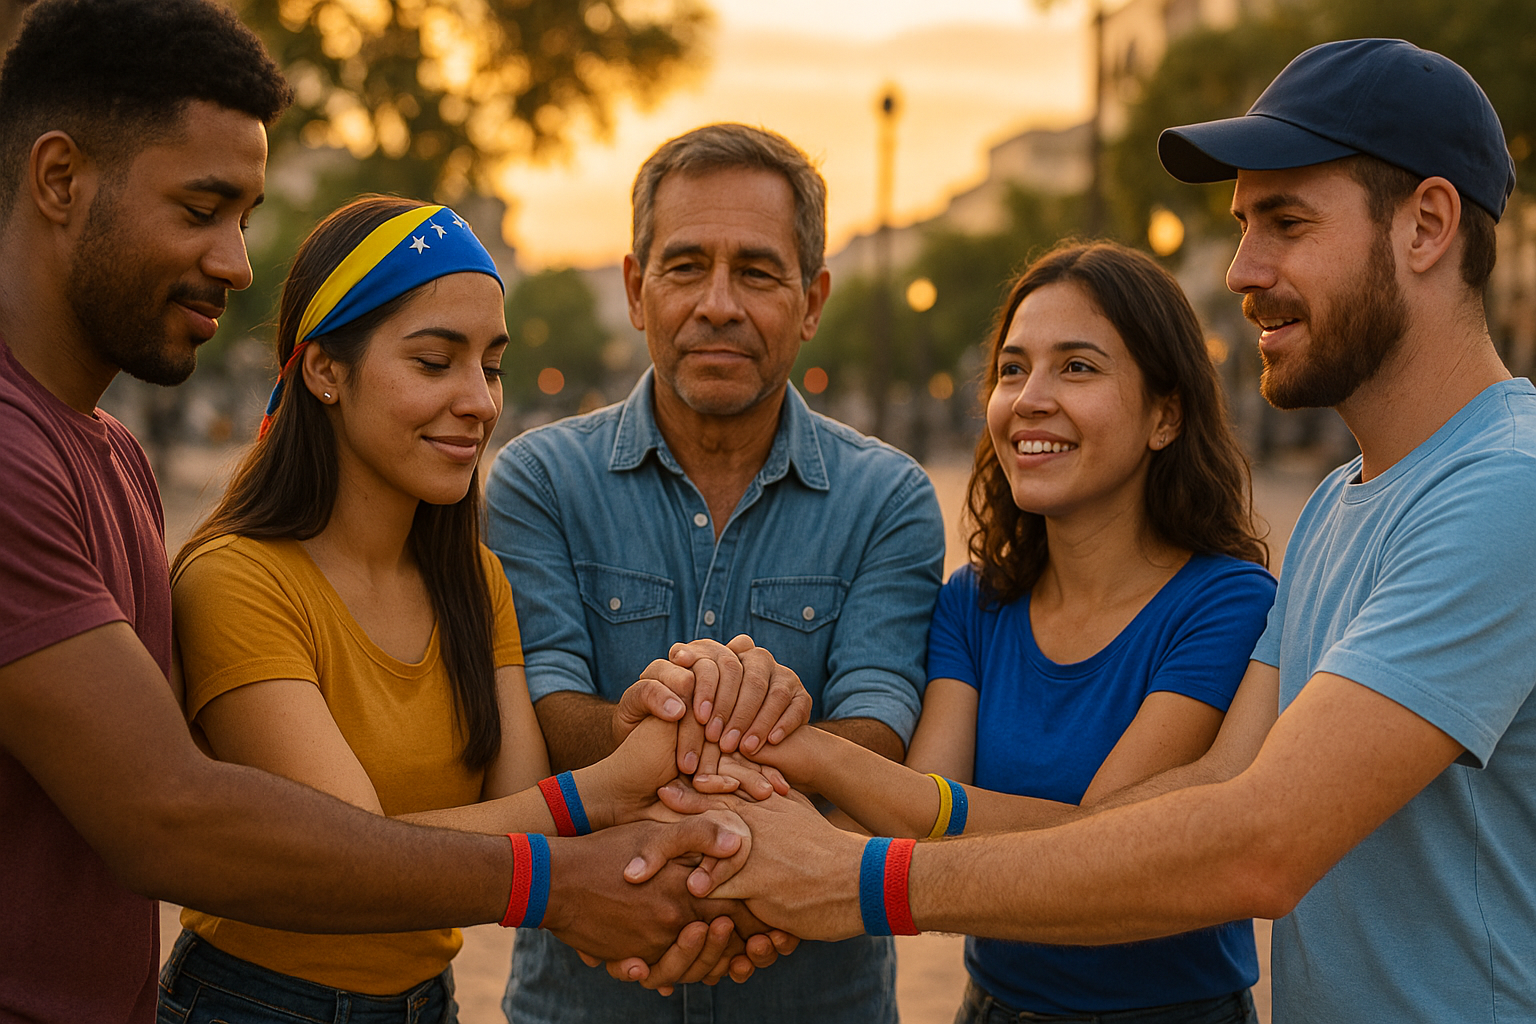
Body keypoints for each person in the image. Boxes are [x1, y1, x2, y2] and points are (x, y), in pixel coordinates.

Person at [674, 39, 1536, 1024]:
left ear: (1427, 224)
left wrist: (863, 882)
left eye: (1286, 223)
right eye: (1244, 226)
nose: (1245, 270)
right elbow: (1209, 784)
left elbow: (1259, 844)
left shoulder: (1506, 489)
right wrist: (807, 794)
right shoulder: (1347, 501)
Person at [0, 4, 755, 1022]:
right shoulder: (46, 477)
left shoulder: (118, 457)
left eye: (245, 218)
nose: (235, 261)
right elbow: (186, 817)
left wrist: (670, 731)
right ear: (59, 179)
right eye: (200, 208)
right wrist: (568, 856)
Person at [161, 195, 786, 1020]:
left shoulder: (474, 580)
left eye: (490, 366)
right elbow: (362, 860)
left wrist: (682, 773)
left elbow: (523, 820)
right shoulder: (235, 582)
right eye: (434, 362)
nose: (481, 402)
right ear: (324, 371)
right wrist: (605, 788)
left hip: (430, 1001)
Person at [695, 240, 1274, 1022]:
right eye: (1011, 368)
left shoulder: (1228, 603)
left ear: (1165, 415)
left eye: (1077, 367)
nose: (1029, 398)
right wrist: (734, 820)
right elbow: (924, 820)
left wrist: (814, 751)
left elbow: (1098, 844)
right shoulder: (974, 603)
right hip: (991, 1007)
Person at [485, 122, 946, 1022]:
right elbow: (541, 714)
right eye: (686, 266)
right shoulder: (539, 481)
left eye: (758, 272)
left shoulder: (889, 498)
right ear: (635, 287)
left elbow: (882, 726)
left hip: (819, 997)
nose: (719, 304)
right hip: (583, 1000)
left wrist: (672, 734)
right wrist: (690, 719)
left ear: (812, 301)